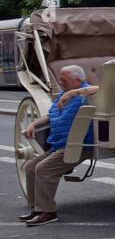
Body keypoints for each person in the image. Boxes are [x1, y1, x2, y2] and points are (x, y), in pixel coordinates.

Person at [20, 66, 98, 226]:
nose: (61, 83)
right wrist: (34, 124)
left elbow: (100, 89)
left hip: (77, 145)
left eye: (64, 80)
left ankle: (47, 212)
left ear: (78, 80)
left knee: (43, 169)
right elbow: (50, 115)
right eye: (60, 80)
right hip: (59, 145)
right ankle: (37, 209)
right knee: (29, 168)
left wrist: (73, 93)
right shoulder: (62, 94)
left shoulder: (86, 94)